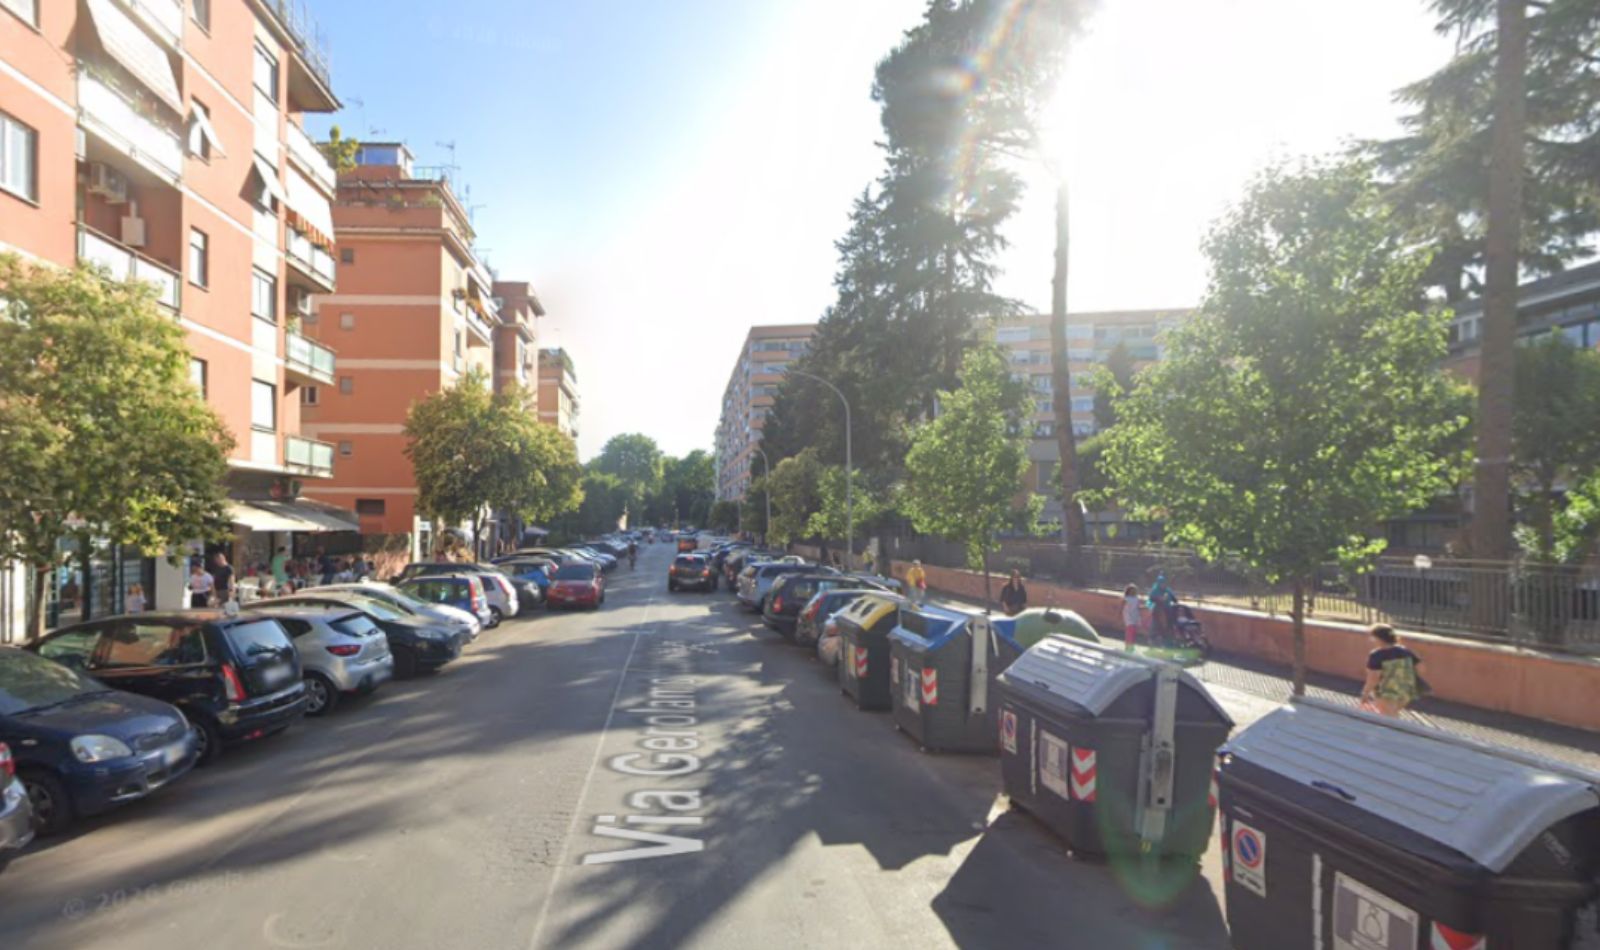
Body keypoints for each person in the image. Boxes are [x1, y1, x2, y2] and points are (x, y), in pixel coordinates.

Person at [1362, 624, 1424, 717]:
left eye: (1372, 637)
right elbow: (1421, 668)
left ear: (1379, 638)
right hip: (1405, 691)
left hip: (1386, 692)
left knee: (1388, 718)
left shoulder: (1377, 655)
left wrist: (1365, 694)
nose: (1371, 640)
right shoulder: (1405, 651)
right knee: (1392, 714)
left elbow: (1373, 678)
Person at [1122, 584, 1142, 650]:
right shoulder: (1126, 598)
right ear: (1128, 591)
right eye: (1132, 590)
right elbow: (1122, 606)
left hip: (1135, 616)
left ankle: (1131, 645)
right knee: (1130, 631)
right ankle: (1128, 645)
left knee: (1133, 632)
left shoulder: (1136, 599)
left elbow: (1138, 607)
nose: (1133, 592)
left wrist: (1144, 607)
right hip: (1128, 617)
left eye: (1134, 590)